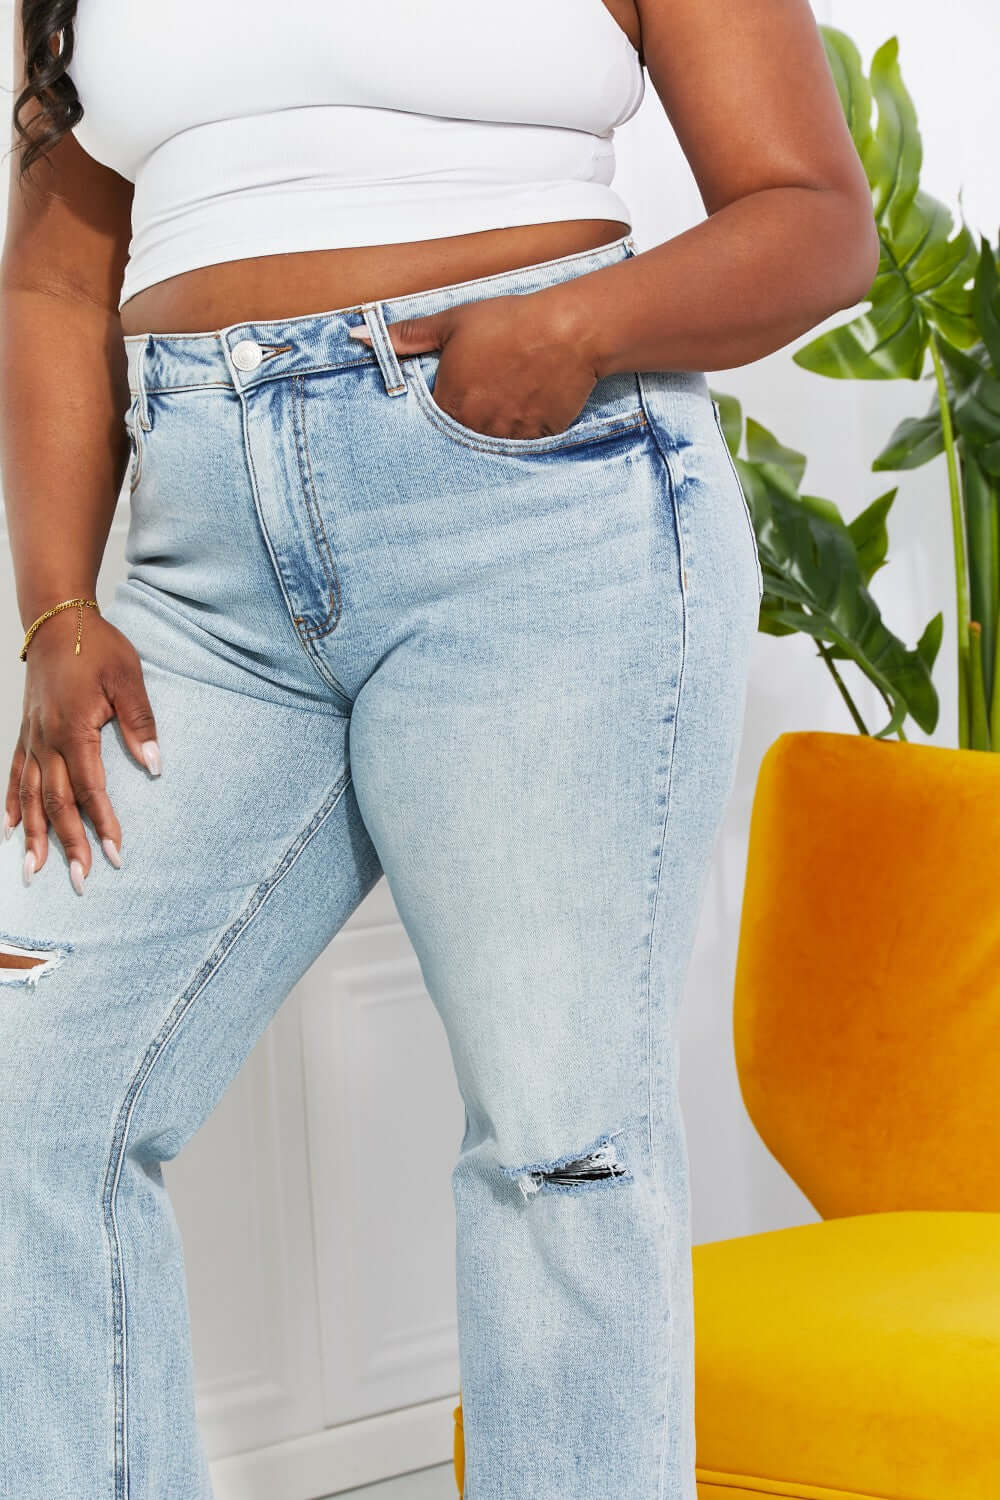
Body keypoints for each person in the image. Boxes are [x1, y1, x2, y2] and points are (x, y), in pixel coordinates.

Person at [0, 1, 878, 1496]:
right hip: (204, 565)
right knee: (30, 1090)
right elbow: (58, 265)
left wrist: (577, 324)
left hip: (535, 510)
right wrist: (59, 605)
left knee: (561, 1149)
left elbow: (814, 219)